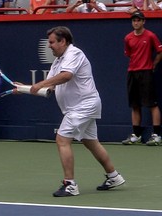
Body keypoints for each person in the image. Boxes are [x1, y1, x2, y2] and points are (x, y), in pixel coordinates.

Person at [28, 26, 125, 196]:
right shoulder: (58, 61)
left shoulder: (74, 54)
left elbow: (66, 76)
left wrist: (40, 84)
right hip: (81, 107)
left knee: (62, 139)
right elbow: (49, 87)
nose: (49, 46)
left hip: (83, 106)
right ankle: (114, 176)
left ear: (63, 41)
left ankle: (70, 185)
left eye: (52, 42)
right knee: (91, 142)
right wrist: (22, 88)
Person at [122, 11, 162, 146]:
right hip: (132, 73)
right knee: (135, 105)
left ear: (143, 21)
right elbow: (129, 54)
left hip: (146, 73)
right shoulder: (128, 38)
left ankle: (156, 135)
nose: (136, 23)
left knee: (152, 104)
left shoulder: (150, 36)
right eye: (134, 20)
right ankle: (136, 135)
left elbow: (160, 51)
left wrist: (153, 64)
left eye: (138, 20)